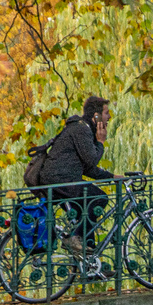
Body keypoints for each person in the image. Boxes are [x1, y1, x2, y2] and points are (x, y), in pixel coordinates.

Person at [41, 95, 113, 254]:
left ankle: (90, 263)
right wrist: (101, 142)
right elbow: (92, 159)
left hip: (61, 179)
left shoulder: (84, 129)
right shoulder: (81, 129)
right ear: (96, 116)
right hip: (60, 179)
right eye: (106, 113)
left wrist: (112, 177)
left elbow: (88, 168)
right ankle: (73, 239)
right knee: (99, 199)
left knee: (85, 215)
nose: (109, 117)